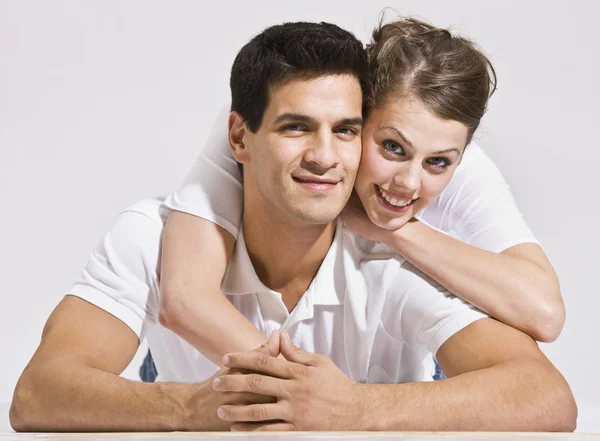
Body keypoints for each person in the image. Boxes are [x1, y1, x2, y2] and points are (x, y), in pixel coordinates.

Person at [10, 21, 576, 432]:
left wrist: (357, 409)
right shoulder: (154, 232)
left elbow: (546, 393)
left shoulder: (399, 255)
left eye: (345, 131)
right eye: (296, 128)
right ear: (238, 139)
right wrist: (188, 407)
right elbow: (36, 392)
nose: (325, 156)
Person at [157, 18, 565, 381]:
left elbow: (544, 313)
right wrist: (303, 395)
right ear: (357, 114)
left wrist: (396, 233)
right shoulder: (263, 135)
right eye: (391, 147)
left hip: (391, 351)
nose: (408, 183)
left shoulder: (464, 166)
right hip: (214, 353)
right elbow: (184, 297)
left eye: (438, 162)